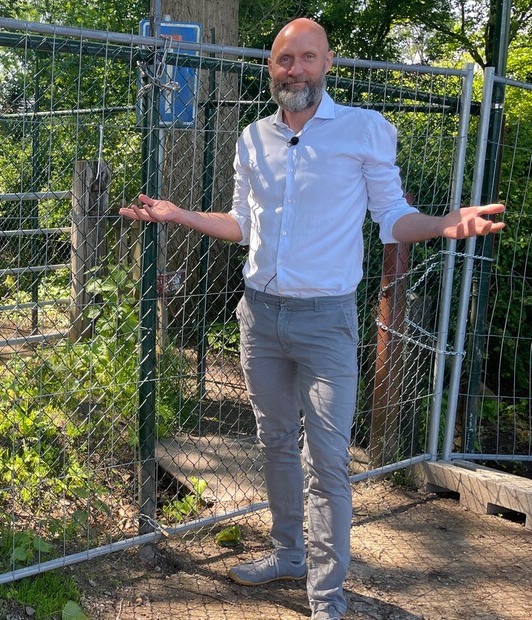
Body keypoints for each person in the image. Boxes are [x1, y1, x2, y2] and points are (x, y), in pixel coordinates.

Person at [119, 17, 505, 620]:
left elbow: (394, 218)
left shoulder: (365, 131)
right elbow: (241, 225)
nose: (293, 69)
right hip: (259, 318)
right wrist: (175, 213)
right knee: (275, 443)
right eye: (282, 59)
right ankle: (288, 555)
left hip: (326, 322)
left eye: (305, 58)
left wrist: (442, 224)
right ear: (270, 68)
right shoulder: (252, 139)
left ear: (327, 63)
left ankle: (326, 597)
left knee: (327, 460)